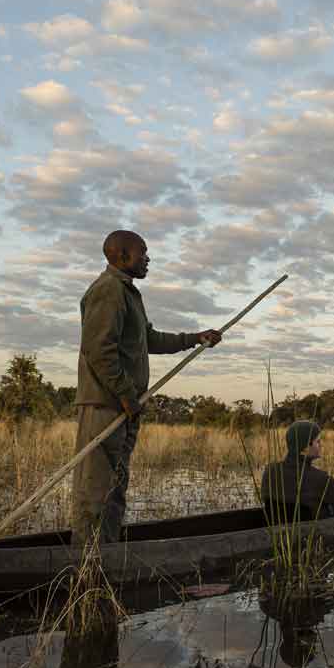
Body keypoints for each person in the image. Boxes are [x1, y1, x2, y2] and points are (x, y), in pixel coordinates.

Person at [73, 230, 222, 544]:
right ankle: (86, 564)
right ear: (123, 256)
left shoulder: (128, 294)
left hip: (122, 408)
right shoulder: (109, 289)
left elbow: (149, 339)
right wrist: (127, 395)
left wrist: (194, 339)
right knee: (96, 489)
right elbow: (99, 351)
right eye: (143, 253)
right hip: (105, 407)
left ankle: (106, 555)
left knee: (115, 488)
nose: (148, 259)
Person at [260, 420, 334, 522]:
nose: (321, 445)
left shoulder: (269, 471)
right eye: (317, 442)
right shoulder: (320, 479)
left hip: (278, 533)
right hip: (312, 535)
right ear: (305, 447)